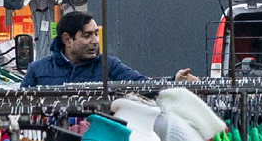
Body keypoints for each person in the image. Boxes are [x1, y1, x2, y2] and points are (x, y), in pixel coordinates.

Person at [22, 11, 191, 86]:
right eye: (87, 35)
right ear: (67, 39)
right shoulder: (37, 70)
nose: (95, 41)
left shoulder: (109, 65)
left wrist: (173, 81)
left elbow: (143, 86)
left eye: (96, 34)